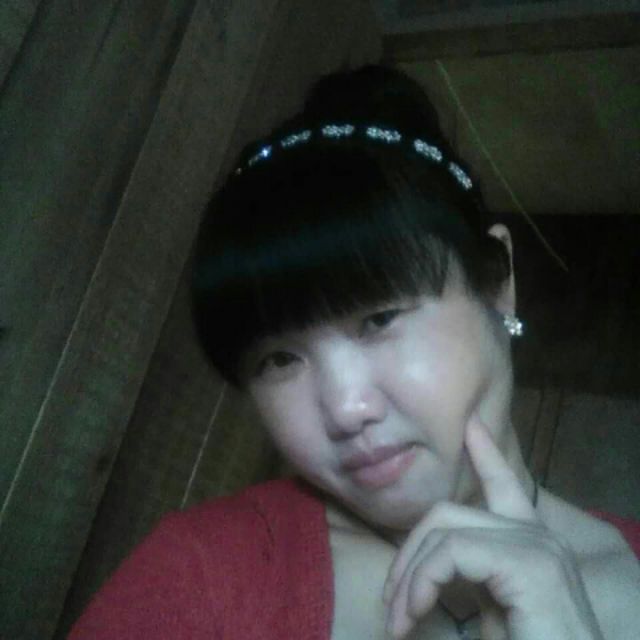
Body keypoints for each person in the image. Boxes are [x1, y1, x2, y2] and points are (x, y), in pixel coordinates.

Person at [69, 65, 640, 640]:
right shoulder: (201, 575)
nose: (346, 410)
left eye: (380, 318)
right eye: (278, 360)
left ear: (498, 285)